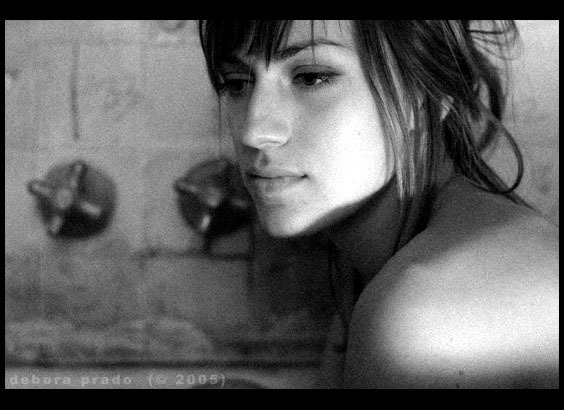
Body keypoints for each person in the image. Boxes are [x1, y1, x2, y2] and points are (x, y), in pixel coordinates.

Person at [198, 20, 559, 388]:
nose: (253, 132)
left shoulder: (423, 314)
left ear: (426, 91)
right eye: (237, 83)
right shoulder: (367, 265)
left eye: (311, 78)